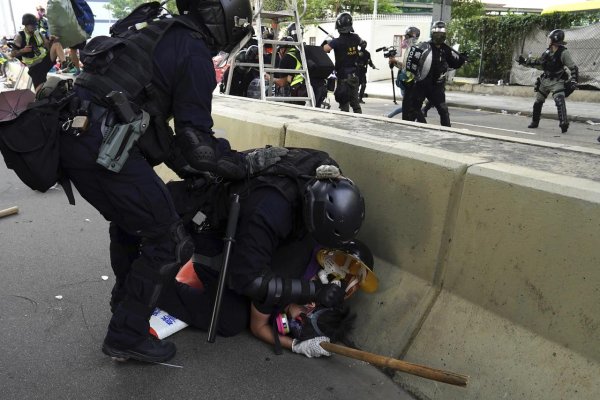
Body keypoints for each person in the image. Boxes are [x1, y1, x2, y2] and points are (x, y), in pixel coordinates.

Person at [56, 0, 289, 364]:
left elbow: (154, 128)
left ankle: (125, 302)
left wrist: (198, 166)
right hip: (102, 146)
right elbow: (197, 146)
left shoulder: (155, 30)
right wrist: (244, 164)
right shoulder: (193, 49)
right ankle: (126, 333)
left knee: (131, 223)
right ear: (227, 17)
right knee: (168, 240)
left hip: (76, 138)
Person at [155, 147, 369, 357]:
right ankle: (152, 287)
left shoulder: (328, 175)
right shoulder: (269, 212)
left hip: (251, 216)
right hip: (210, 225)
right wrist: (311, 294)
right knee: (230, 319)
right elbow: (248, 280)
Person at [518, 29, 578, 133]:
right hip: (545, 80)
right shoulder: (547, 52)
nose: (548, 41)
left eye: (550, 39)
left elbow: (573, 68)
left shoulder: (563, 52)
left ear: (555, 39)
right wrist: (524, 62)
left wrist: (574, 80)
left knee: (559, 101)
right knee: (538, 102)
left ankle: (564, 123)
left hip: (557, 81)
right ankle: (535, 122)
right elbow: (540, 64)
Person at [410, 21, 468, 127]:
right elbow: (413, 63)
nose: (439, 36)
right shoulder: (424, 47)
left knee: (443, 110)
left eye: (441, 34)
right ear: (432, 34)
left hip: (436, 85)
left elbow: (453, 64)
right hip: (422, 83)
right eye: (437, 34)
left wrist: (461, 60)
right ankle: (423, 127)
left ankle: (447, 131)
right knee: (414, 108)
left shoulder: (445, 49)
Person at [10, 13, 66, 92]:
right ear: (25, 24)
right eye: (31, 25)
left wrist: (51, 41)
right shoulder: (19, 36)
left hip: (44, 60)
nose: (34, 27)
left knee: (56, 44)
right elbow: (12, 54)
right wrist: (23, 50)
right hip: (34, 66)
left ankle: (65, 63)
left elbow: (48, 46)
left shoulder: (38, 33)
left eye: (35, 25)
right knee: (39, 91)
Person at [323, 12, 363, 113]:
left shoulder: (336, 41)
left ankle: (345, 126)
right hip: (354, 76)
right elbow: (363, 43)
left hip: (343, 77)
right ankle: (361, 122)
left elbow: (324, 49)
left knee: (344, 104)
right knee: (355, 103)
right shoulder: (356, 37)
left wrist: (328, 41)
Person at [386, 26, 421, 120]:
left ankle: (390, 116)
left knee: (410, 106)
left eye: (406, 37)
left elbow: (409, 69)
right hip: (405, 83)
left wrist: (395, 62)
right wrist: (394, 62)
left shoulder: (415, 51)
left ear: (413, 37)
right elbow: (405, 67)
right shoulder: (409, 50)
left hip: (410, 83)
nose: (404, 39)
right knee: (411, 106)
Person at [272, 36, 307, 105]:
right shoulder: (300, 54)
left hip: (297, 90)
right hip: (308, 87)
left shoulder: (286, 58)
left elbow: (282, 83)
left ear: (282, 49)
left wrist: (269, 78)